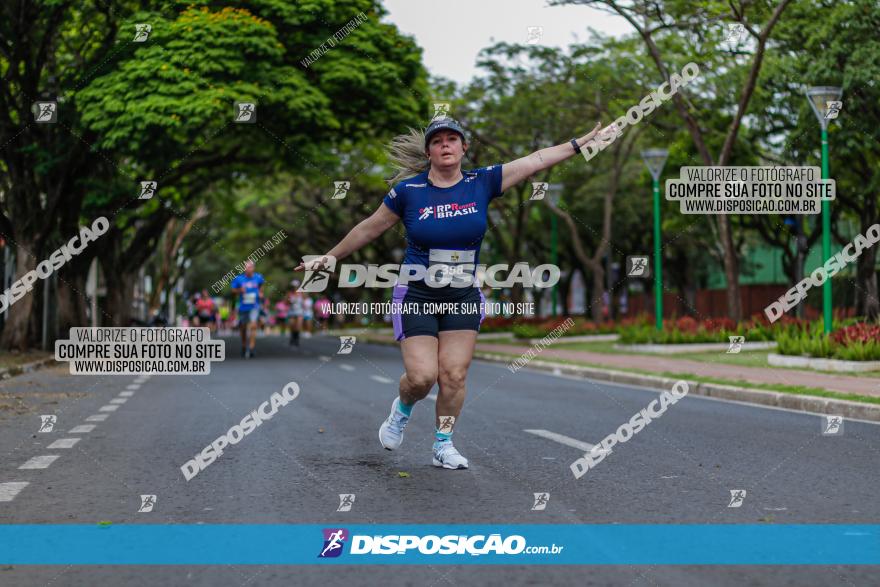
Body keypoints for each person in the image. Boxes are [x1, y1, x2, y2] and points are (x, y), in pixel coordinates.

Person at [295, 117, 606, 469]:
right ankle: (402, 409)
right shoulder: (408, 193)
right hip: (417, 296)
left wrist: (579, 144)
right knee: (422, 377)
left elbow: (535, 160)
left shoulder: (483, 182)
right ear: (428, 151)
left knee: (454, 375)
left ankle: (443, 443)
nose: (445, 145)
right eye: (438, 140)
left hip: (462, 295)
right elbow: (370, 227)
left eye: (452, 139)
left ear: (463, 148)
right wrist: (329, 257)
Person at [230, 260, 265, 358]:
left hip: (255, 305)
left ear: (253, 268)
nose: (248, 269)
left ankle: (252, 347)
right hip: (243, 306)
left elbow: (261, 286)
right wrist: (239, 290)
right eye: (246, 267)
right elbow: (232, 290)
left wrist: (261, 293)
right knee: (243, 327)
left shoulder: (258, 277)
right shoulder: (239, 279)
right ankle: (244, 345)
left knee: (253, 325)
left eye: (250, 267)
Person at [288, 281, 305, 346]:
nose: (294, 288)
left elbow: (304, 302)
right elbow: (286, 302)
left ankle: (296, 339)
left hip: (299, 311)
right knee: (292, 325)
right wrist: (289, 300)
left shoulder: (301, 293)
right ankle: (292, 337)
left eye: (295, 286)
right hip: (292, 311)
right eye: (293, 286)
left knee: (298, 325)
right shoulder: (289, 293)